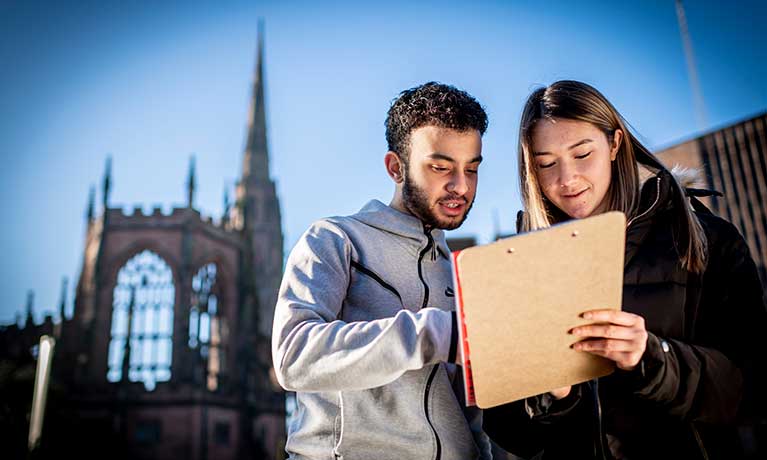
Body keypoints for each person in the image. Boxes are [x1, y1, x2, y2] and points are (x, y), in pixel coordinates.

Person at [484, 80, 767, 459]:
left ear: (615, 144)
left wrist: (654, 356)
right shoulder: (520, 266)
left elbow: (753, 390)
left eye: (582, 154)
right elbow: (512, 436)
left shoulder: (705, 240)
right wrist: (552, 394)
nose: (566, 179)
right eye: (546, 164)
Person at [272, 82, 493, 459]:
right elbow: (293, 355)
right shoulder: (335, 239)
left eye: (471, 169)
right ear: (395, 167)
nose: (461, 186)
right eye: (441, 167)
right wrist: (434, 333)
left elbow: (471, 414)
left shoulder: (464, 272)